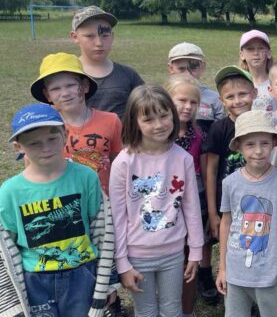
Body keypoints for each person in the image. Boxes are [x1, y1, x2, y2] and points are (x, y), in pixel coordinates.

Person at [0, 103, 114, 316]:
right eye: (34, 143)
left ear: (65, 134)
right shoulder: (10, 191)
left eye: (52, 139)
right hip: (36, 281)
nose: (46, 148)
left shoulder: (86, 177)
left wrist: (108, 281)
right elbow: (7, 243)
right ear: (18, 147)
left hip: (82, 274)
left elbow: (101, 230)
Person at [109, 85, 204, 316]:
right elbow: (117, 216)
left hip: (173, 252)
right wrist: (122, 262)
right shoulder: (123, 162)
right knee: (146, 311)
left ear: (173, 114)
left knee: (172, 309)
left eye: (163, 116)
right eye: (148, 119)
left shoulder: (183, 158)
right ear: (134, 122)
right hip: (137, 254)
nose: (159, 124)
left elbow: (192, 208)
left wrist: (195, 251)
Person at [215, 110, 277, 317]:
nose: (258, 151)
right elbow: (226, 224)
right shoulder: (230, 183)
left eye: (264, 143)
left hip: (270, 273)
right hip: (235, 272)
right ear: (239, 146)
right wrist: (222, 268)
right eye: (250, 144)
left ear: (274, 143)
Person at [31, 52, 122, 195]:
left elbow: (120, 167)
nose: (65, 93)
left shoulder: (111, 121)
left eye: (70, 85)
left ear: (84, 86)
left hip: (104, 203)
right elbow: (34, 172)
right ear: (47, 95)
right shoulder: (41, 129)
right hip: (63, 202)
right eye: (55, 89)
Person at [204, 66, 258, 288]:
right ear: (221, 100)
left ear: (254, 93)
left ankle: (252, 285)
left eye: (243, 94)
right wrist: (212, 212)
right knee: (228, 245)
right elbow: (211, 171)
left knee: (252, 244)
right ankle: (225, 283)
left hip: (255, 202)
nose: (237, 101)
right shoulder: (219, 129)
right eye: (230, 96)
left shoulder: (262, 124)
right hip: (227, 203)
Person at [163, 73, 210, 316]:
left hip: (192, 201)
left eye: (193, 102)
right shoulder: (157, 134)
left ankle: (186, 308)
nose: (188, 106)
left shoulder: (199, 135)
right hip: (163, 204)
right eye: (181, 100)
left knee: (188, 256)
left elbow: (204, 171)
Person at [71, 5, 144, 119]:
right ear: (75, 37)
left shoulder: (128, 75)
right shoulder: (66, 76)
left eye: (105, 36)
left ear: (112, 37)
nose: (99, 43)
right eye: (90, 36)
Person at [168, 42, 225, 133]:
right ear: (171, 68)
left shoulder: (215, 99)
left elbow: (220, 132)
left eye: (193, 68)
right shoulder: (164, 97)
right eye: (181, 69)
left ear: (202, 67)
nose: (187, 74)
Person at [239, 30, 276, 112]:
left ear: (269, 53)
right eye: (250, 49)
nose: (256, 53)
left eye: (261, 48)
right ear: (242, 55)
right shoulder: (237, 84)